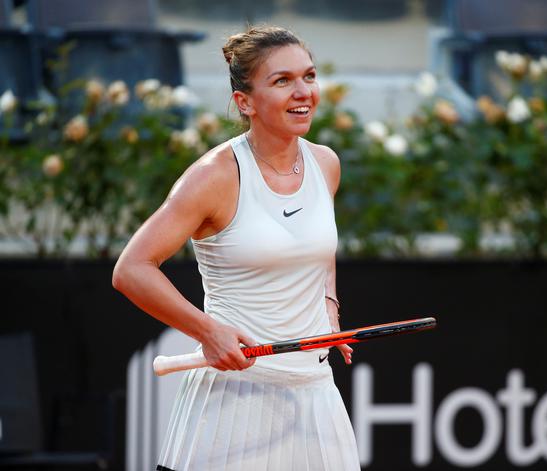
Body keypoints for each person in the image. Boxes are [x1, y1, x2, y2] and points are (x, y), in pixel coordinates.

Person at [112, 25, 361, 471]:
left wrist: (329, 300)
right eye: (282, 81)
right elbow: (132, 269)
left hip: (315, 393)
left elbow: (316, 246)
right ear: (244, 102)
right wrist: (207, 332)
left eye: (308, 76)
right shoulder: (213, 177)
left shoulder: (326, 164)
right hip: (233, 402)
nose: (303, 91)